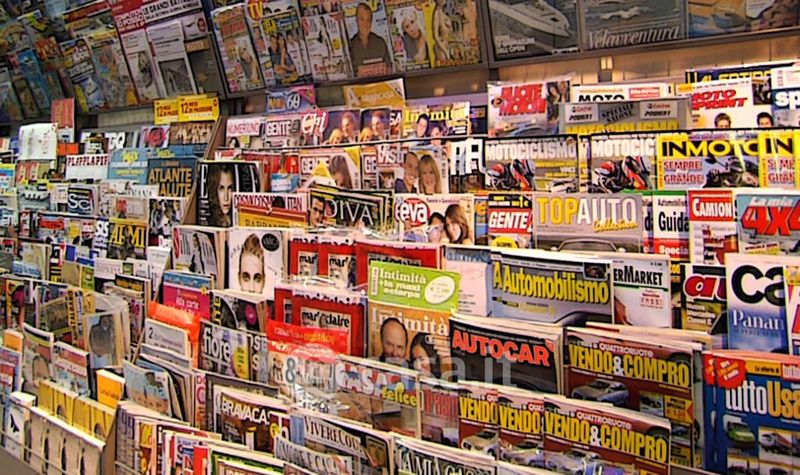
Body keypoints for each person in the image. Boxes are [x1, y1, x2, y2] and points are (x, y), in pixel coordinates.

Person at [349, 3, 391, 76]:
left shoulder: (380, 43)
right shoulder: (350, 46)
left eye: (368, 20)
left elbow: (389, 69)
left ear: (371, 22)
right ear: (356, 20)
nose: (365, 24)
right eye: (362, 19)